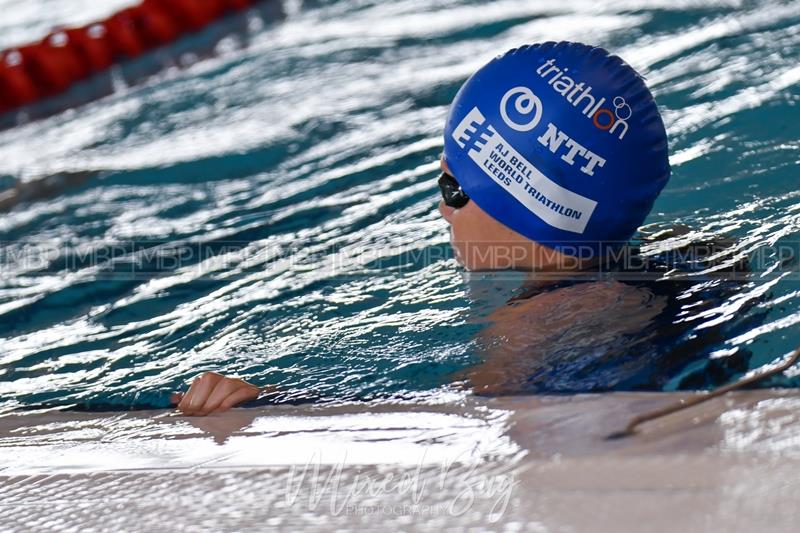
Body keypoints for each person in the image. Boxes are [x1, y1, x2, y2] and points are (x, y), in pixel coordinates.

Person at [171, 41, 674, 416]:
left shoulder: (532, 325)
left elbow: (441, 422)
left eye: (452, 187)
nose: (443, 211)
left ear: (527, 208)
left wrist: (272, 403)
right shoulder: (661, 259)